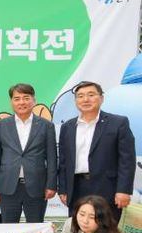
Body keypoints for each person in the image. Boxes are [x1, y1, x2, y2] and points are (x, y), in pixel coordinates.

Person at [58, 81, 136, 221]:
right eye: (80, 96)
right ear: (76, 101)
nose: (85, 99)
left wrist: (123, 190)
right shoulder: (68, 127)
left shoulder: (118, 123)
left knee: (106, 230)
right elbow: (63, 161)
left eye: (91, 94)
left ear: (101, 98)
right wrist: (63, 189)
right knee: (79, 229)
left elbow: (127, 160)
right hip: (76, 188)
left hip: (107, 189)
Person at [0, 83, 57, 223]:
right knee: (9, 229)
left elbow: (52, 158)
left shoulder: (46, 126)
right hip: (8, 185)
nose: (21, 102)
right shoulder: (1, 126)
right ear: (11, 102)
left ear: (34, 100)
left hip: (37, 186)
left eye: (26, 98)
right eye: (17, 98)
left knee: (35, 227)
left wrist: (51, 184)